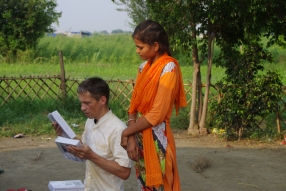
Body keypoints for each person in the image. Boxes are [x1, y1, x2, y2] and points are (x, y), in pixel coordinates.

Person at [121, 20, 187, 191]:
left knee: (160, 185)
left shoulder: (169, 69)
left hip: (159, 141)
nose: (137, 51)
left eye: (140, 47)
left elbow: (156, 115)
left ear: (155, 45)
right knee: (144, 185)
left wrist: (128, 132)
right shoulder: (144, 68)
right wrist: (132, 137)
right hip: (140, 137)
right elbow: (133, 107)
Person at [53, 77, 131, 191]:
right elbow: (84, 147)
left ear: (102, 100)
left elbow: (124, 172)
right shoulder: (90, 121)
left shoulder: (118, 129)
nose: (82, 108)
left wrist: (91, 156)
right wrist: (65, 136)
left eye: (87, 103)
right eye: (81, 103)